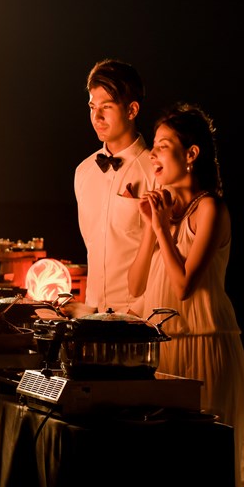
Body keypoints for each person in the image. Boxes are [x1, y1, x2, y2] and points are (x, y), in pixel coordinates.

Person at [127, 103, 244, 487]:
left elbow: (184, 286)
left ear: (191, 154)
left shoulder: (210, 209)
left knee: (204, 471)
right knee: (164, 474)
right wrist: (151, 225)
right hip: (163, 350)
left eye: (163, 146)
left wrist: (162, 228)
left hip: (205, 345)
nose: (154, 156)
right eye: (154, 148)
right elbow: (136, 285)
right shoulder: (166, 214)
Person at [74, 58, 155, 313]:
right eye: (92, 106)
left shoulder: (156, 170)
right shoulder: (83, 172)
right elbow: (92, 247)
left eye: (106, 107)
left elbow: (165, 254)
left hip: (141, 319)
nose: (96, 116)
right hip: (92, 316)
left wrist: (139, 311)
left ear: (131, 110)